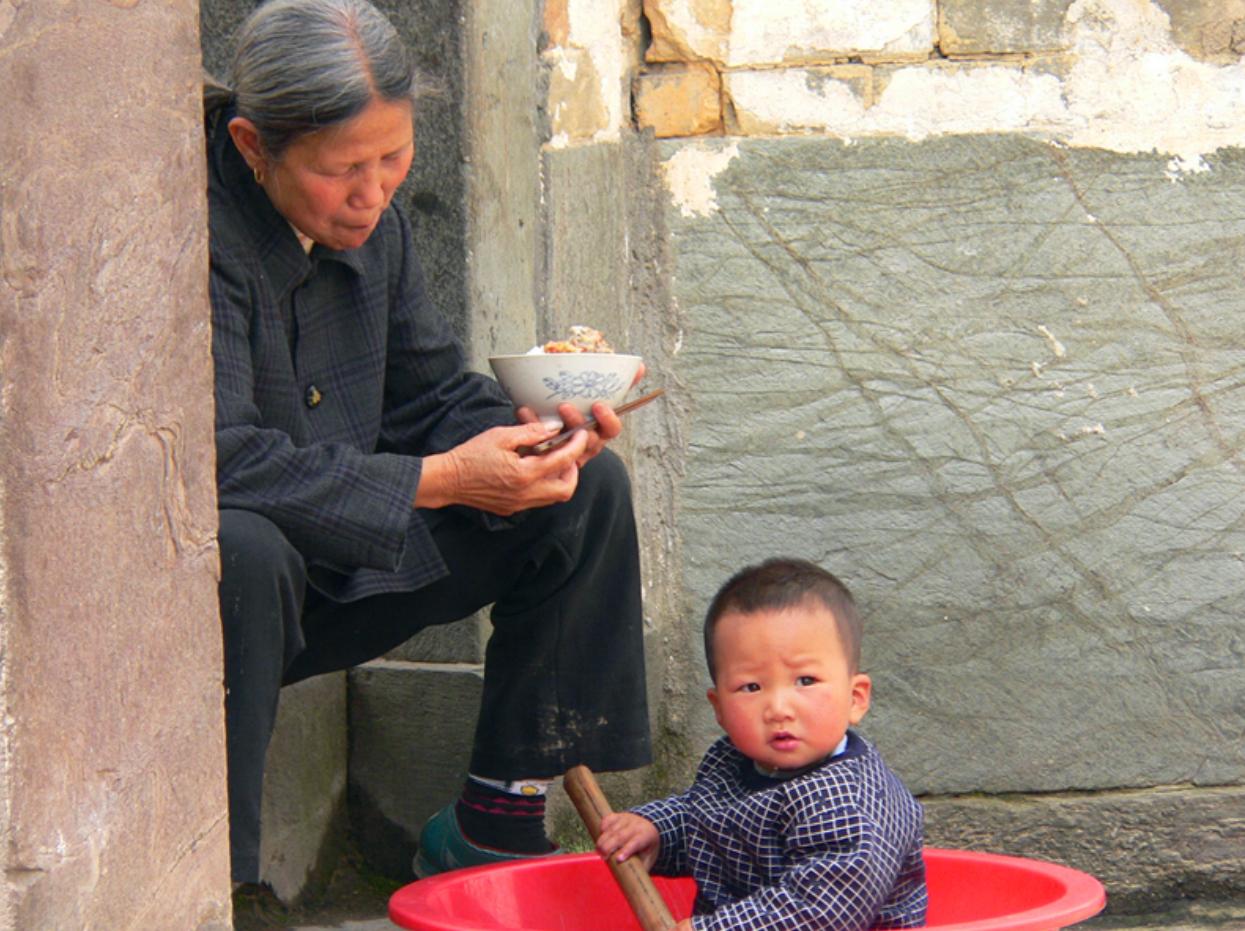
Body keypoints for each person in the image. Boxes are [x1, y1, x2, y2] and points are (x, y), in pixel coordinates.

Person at [203, 0, 651, 888]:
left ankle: (497, 820)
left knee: (585, 493)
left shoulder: (377, 226)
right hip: (252, 598)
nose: (374, 192)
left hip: (358, 558)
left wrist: (533, 436)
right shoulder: (191, 236)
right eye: (342, 170)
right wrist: (441, 480)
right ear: (255, 146)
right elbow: (216, 459)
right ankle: (233, 886)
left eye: (393, 157)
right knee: (242, 547)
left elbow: (430, 395)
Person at [597, 558, 927, 930]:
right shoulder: (732, 763)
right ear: (719, 708)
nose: (778, 709)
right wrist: (658, 832)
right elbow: (707, 824)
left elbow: (816, 913)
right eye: (751, 687)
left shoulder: (852, 804)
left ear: (856, 698)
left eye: (805, 680)